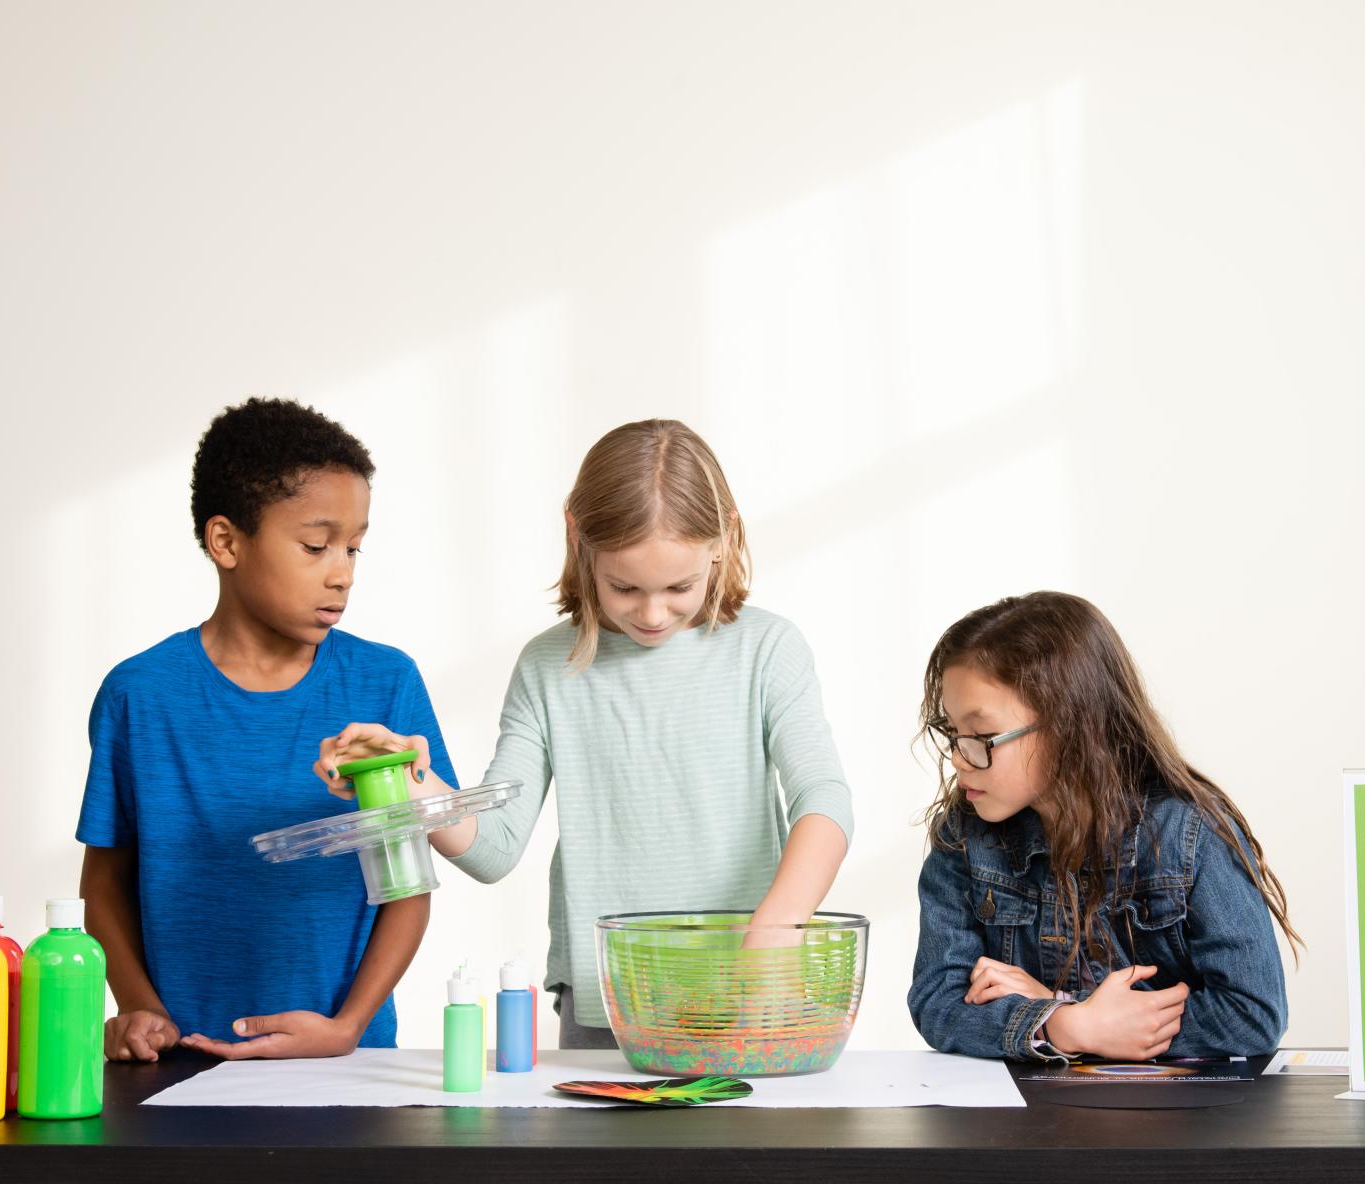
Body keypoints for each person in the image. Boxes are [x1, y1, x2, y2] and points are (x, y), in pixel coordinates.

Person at [316, 418, 853, 1047]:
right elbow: (493, 847)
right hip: (608, 1012)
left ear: (724, 538)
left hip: (751, 1000)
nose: (652, 614)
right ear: (577, 537)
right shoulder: (549, 666)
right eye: (623, 587)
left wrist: (772, 932)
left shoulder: (767, 649)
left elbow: (825, 800)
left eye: (679, 587)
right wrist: (409, 782)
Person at [78, 397, 451, 1062]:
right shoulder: (139, 695)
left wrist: (348, 1026)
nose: (342, 573)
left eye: (354, 547)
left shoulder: (384, 683)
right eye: (315, 545)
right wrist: (140, 1008)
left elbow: (408, 887)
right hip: (179, 1064)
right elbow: (103, 886)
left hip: (346, 1063)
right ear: (226, 541)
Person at [907, 591, 1296, 1061]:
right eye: (952, 733)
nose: (957, 757)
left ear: (1068, 726)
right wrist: (1065, 1025)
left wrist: (1070, 1012)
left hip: (1172, 1125)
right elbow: (937, 1002)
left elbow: (1251, 1013)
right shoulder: (965, 838)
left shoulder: (1188, 833)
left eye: (983, 737)